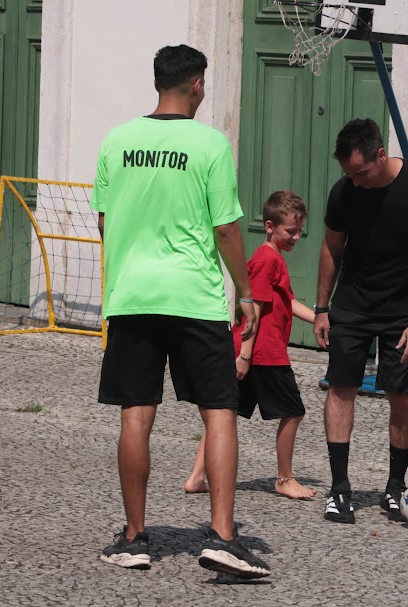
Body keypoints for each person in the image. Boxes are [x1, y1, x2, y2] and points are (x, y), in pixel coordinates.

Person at [92, 44, 269, 579]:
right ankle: (221, 537)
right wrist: (243, 291)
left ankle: (133, 538)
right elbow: (225, 229)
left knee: (136, 414)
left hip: (133, 296)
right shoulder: (211, 144)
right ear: (196, 84)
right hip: (194, 297)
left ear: (157, 83)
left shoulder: (116, 141)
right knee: (218, 411)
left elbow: (105, 222)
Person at [313, 118, 408, 524]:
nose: (355, 182)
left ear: (380, 154)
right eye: (348, 174)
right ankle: (340, 489)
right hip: (353, 306)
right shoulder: (344, 192)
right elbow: (331, 249)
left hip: (405, 312)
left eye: (361, 172)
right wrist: (322, 308)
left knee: (402, 395)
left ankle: (395, 488)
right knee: (342, 388)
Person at [185, 190, 318, 500]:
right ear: (269, 226)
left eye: (299, 231)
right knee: (293, 412)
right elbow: (254, 308)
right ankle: (285, 479)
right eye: (290, 231)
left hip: (256, 352)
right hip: (263, 353)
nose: (297, 237)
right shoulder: (265, 259)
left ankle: (197, 476)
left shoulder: (274, 258)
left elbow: (288, 301)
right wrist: (245, 355)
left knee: (223, 412)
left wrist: (320, 320)